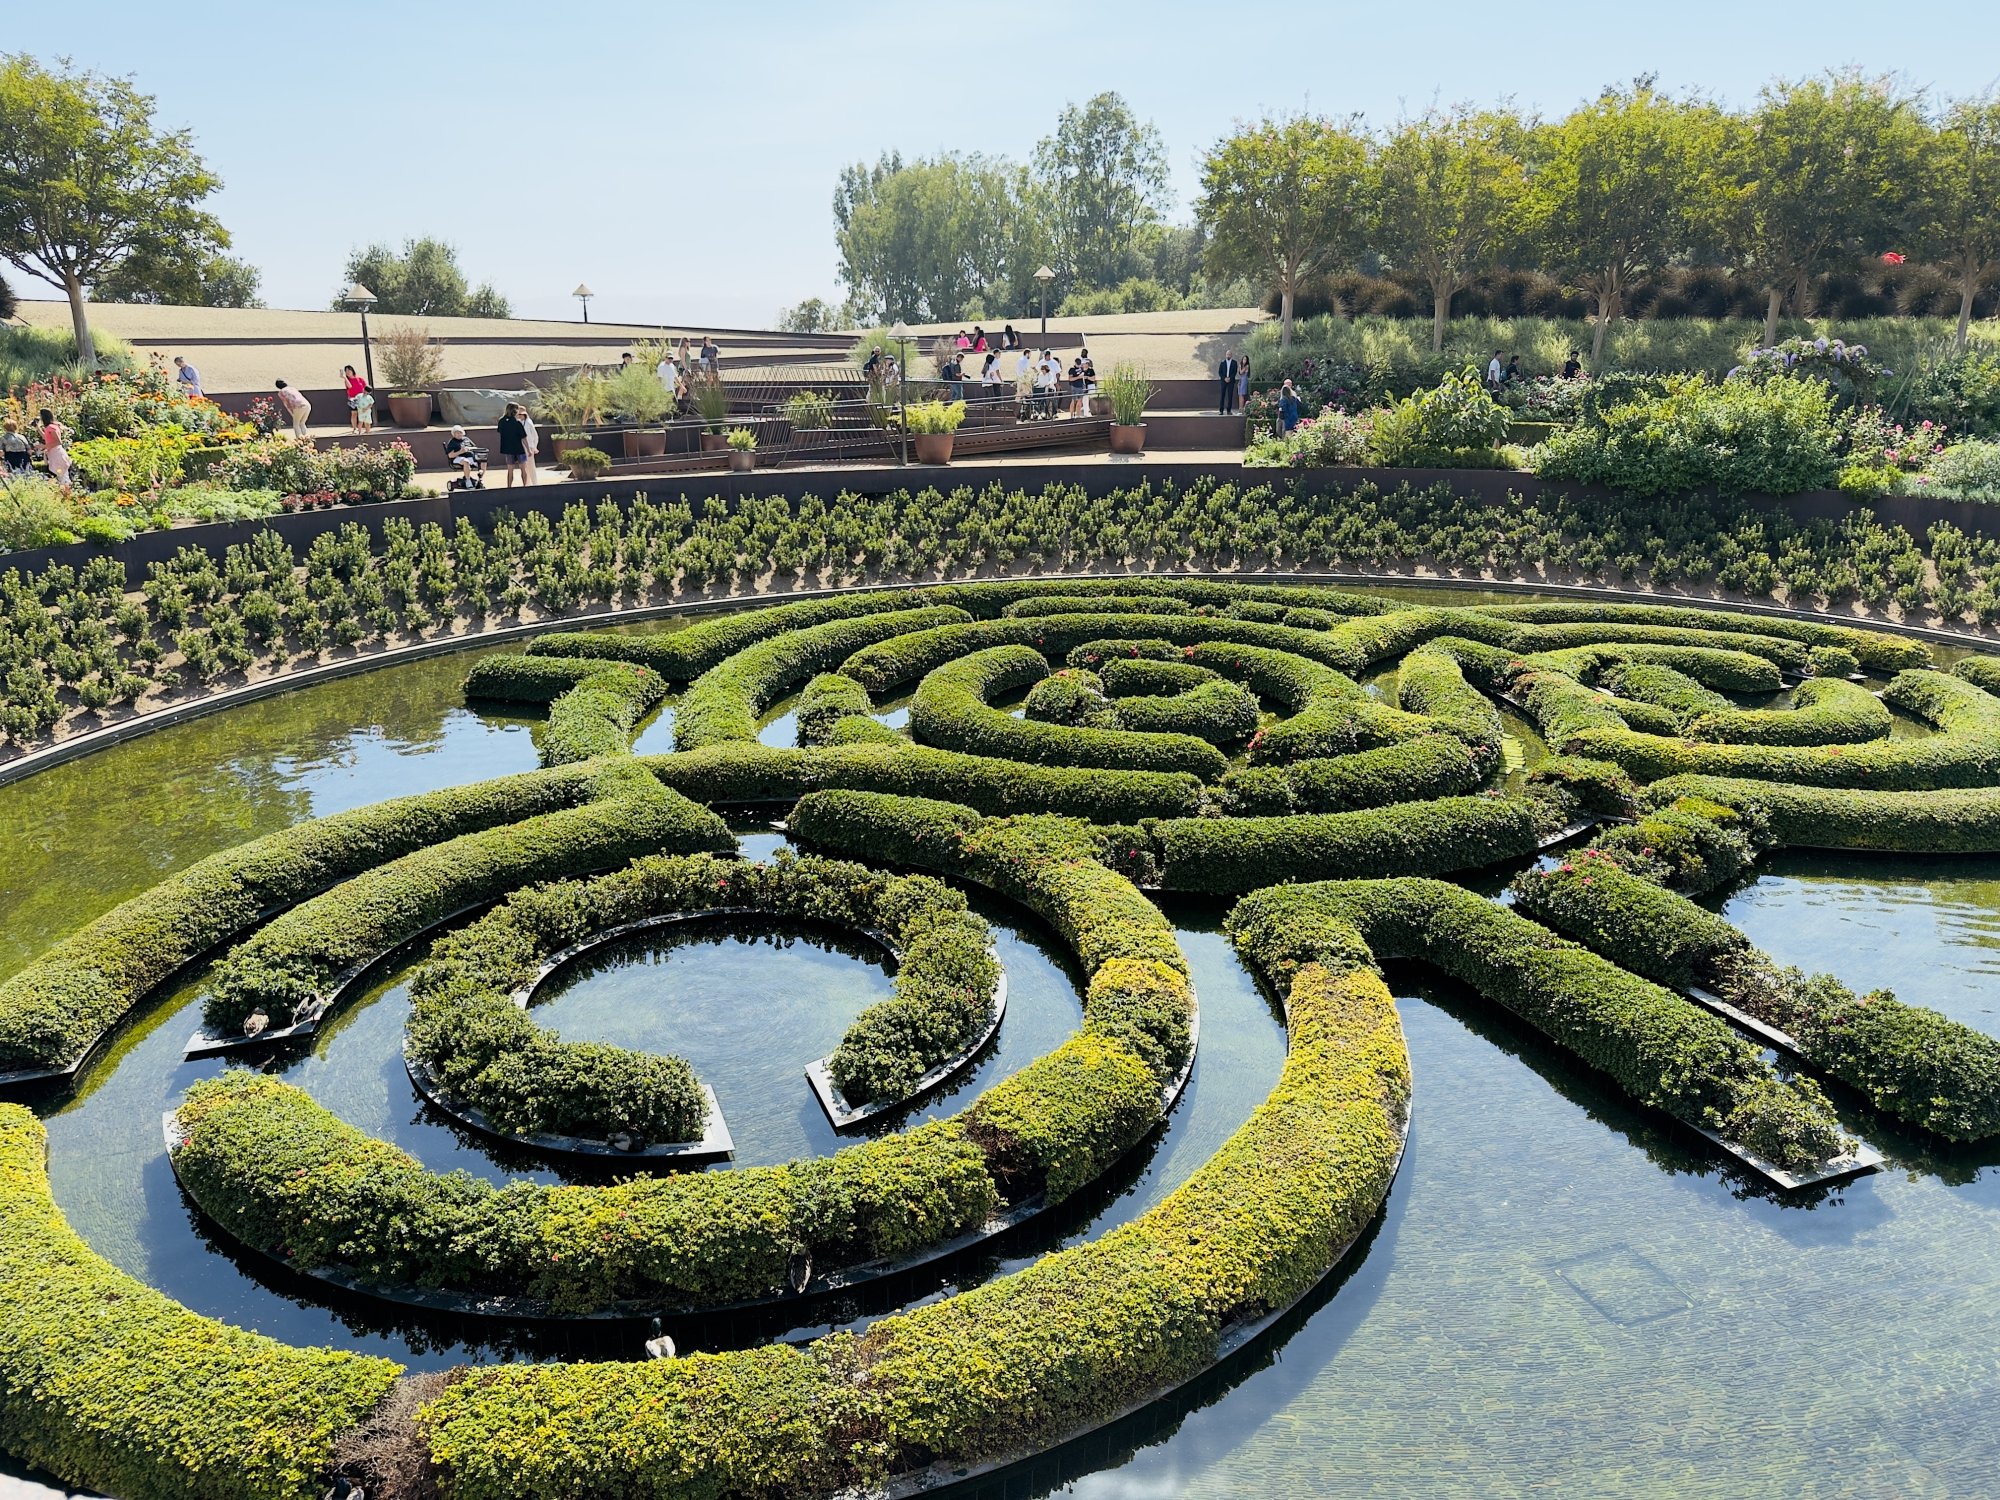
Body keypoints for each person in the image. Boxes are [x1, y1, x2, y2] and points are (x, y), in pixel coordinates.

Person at [496, 403, 530, 487]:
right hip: (519, 448)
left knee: (510, 470)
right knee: (523, 468)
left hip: (507, 448)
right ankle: (525, 486)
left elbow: (500, 431)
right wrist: (528, 449)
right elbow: (523, 437)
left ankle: (509, 487)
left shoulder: (501, 421)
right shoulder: (517, 422)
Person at [38, 408, 71, 492]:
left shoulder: (51, 427)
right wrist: (37, 427)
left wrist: (44, 446)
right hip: (54, 453)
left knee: (63, 477)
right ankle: (66, 493)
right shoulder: (50, 427)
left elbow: (58, 442)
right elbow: (46, 437)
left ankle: (67, 494)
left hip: (57, 453)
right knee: (61, 476)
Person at [341, 364, 372, 433]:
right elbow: (350, 386)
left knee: (363, 413)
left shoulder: (360, 379)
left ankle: (366, 428)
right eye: (346, 371)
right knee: (354, 414)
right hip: (353, 399)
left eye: (349, 370)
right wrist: (344, 378)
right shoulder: (347, 380)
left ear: (352, 371)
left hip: (362, 398)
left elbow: (366, 387)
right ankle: (354, 428)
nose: (348, 372)